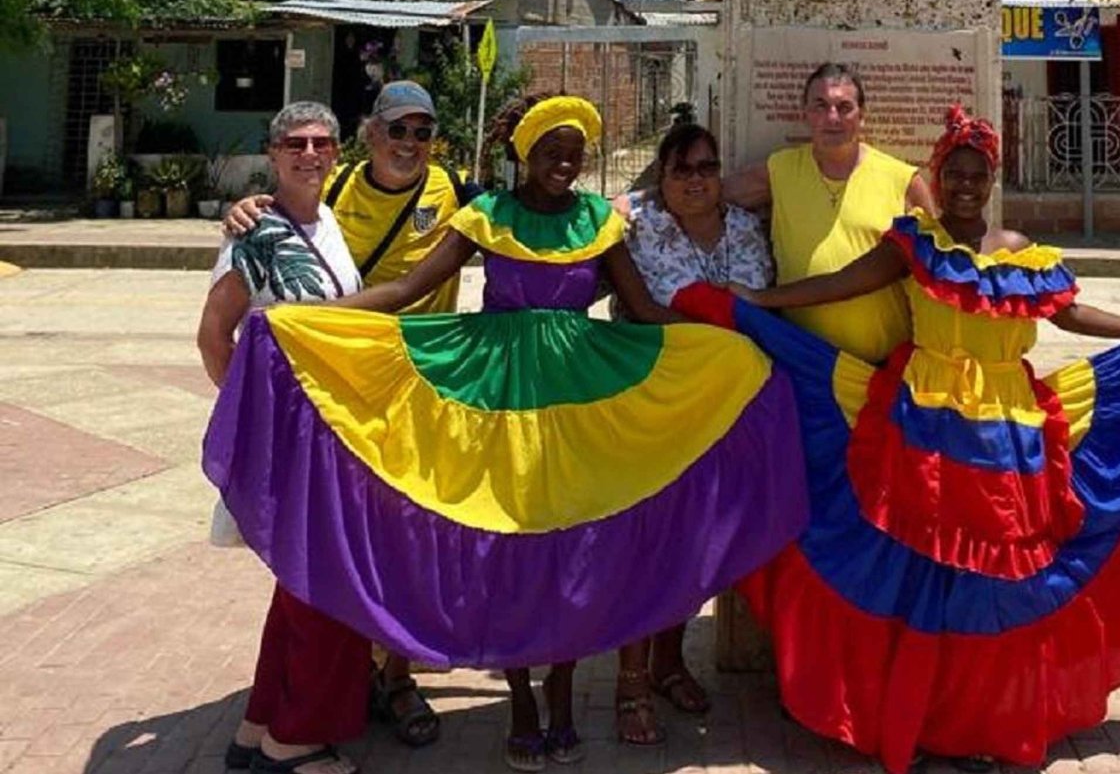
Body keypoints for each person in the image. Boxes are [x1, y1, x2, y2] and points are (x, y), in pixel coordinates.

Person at [201, 96, 809, 774]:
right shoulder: (487, 213)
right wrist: (310, 321)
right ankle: (521, 701)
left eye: (574, 152)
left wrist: (732, 348)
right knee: (507, 538)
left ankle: (561, 696)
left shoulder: (599, 220)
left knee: (571, 539)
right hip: (493, 399)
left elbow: (644, 311)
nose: (564, 163)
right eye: (551, 150)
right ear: (525, 154)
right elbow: (407, 289)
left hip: (578, 399)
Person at [685, 105, 1120, 774]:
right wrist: (758, 302)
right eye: (953, 172)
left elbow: (1068, 312)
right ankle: (921, 717)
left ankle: (984, 722)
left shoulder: (1017, 249)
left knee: (995, 583)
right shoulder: (915, 242)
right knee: (924, 577)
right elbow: (840, 285)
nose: (963, 185)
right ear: (936, 175)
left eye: (976, 174)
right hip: (922, 431)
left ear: (991, 180)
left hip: (1007, 439)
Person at [224, 79, 481, 747]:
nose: (409, 144)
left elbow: (535, 215)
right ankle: (342, 680)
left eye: (423, 132)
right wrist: (244, 206)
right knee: (345, 547)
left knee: (409, 540)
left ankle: (395, 675)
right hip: (341, 402)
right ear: (369, 135)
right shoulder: (335, 190)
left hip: (421, 396)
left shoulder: (455, 190)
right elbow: (278, 227)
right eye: (397, 130)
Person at [197, 102, 367, 774]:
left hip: (330, 435)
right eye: (295, 143)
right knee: (328, 585)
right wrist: (253, 418)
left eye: (322, 142)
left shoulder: (328, 220)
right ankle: (294, 741)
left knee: (300, 586)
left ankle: (260, 723)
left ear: (337, 152)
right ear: (273, 153)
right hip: (294, 439)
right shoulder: (257, 232)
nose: (309, 153)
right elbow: (215, 337)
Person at [607, 122, 775, 743]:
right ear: (662, 177)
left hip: (717, 408)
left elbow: (760, 309)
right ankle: (630, 682)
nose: (696, 180)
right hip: (649, 405)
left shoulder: (745, 227)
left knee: (694, 540)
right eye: (681, 170)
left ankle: (669, 663)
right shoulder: (636, 223)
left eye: (707, 167)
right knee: (646, 540)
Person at [723, 61, 937, 365]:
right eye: (820, 106)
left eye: (844, 107)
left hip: (884, 367)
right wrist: (647, 194)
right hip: (802, 364)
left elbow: (935, 275)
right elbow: (704, 195)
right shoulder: (780, 170)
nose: (832, 118)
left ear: (862, 114)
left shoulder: (903, 181)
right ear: (805, 113)